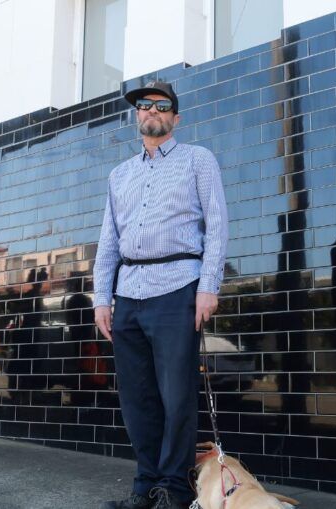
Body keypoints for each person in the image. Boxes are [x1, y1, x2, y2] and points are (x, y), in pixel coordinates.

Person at [94, 81, 228, 509]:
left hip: (178, 288)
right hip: (128, 295)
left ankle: (173, 489)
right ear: (137, 116)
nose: (151, 110)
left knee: (176, 397)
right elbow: (108, 242)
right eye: (143, 106)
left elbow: (218, 224)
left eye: (161, 105)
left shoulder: (197, 160)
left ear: (175, 116)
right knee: (138, 400)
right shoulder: (120, 175)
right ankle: (145, 487)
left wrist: (209, 287)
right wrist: (102, 298)